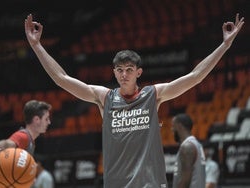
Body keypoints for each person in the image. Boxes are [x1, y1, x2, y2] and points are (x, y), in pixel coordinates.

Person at [24, 13, 244, 188]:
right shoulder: (105, 98)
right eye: (119, 70)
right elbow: (62, 79)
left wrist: (224, 45)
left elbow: (195, 77)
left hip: (150, 183)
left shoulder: (152, 95)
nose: (124, 74)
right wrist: (37, 46)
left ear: (139, 72)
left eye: (129, 69)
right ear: (114, 72)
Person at [0, 100, 52, 187]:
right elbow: (6, 143)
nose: (49, 122)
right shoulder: (23, 136)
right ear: (37, 120)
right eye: (46, 119)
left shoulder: (30, 141)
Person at [171, 113, 206, 188]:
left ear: (179, 126)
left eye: (173, 126)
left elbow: (185, 181)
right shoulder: (197, 144)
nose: (172, 129)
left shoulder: (187, 147)